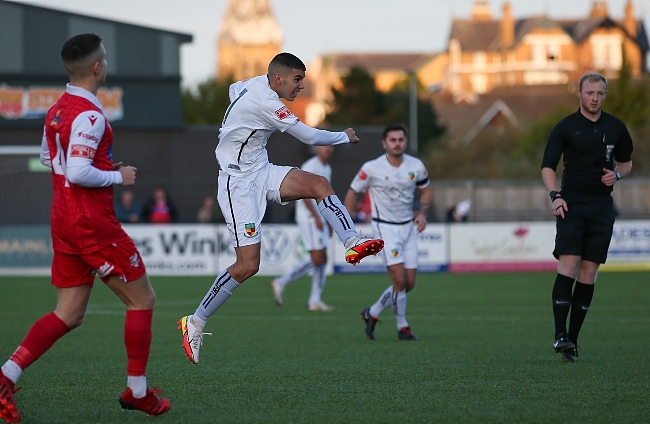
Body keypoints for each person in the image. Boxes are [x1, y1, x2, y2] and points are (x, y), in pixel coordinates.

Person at [0, 34, 170, 424]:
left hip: (62, 217)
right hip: (90, 222)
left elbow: (49, 158)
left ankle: (5, 375)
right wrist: (117, 175)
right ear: (98, 67)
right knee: (142, 299)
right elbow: (78, 171)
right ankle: (138, 391)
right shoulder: (91, 116)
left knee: (69, 313)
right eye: (105, 60)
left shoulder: (57, 109)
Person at [177, 52, 384, 364]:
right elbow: (310, 135)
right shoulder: (267, 102)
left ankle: (352, 241)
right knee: (248, 265)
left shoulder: (251, 86)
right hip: (238, 186)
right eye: (297, 79)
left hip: (262, 170)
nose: (301, 86)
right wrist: (344, 136)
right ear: (278, 79)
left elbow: (234, 88)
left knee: (318, 184)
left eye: (302, 79)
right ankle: (195, 321)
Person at [541, 73, 633, 363]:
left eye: (600, 93)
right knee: (568, 265)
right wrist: (555, 196)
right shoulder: (566, 127)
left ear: (606, 95)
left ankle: (573, 342)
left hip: (601, 207)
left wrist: (616, 174)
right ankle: (559, 334)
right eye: (590, 92)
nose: (595, 98)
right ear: (579, 94)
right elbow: (547, 167)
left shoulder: (616, 127)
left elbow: (627, 163)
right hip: (572, 203)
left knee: (589, 273)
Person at [345, 124, 431, 341]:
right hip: (385, 228)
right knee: (399, 280)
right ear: (385, 143)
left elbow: (426, 192)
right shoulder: (372, 168)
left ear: (405, 142)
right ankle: (403, 327)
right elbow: (352, 192)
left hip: (408, 228)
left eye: (400, 140)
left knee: (408, 283)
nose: (397, 144)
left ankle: (372, 312)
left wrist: (422, 214)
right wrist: (346, 225)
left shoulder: (416, 166)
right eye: (392, 140)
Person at [270, 145, 336, 312]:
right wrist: (315, 216)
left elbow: (324, 196)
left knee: (323, 258)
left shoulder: (326, 168)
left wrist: (328, 219)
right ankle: (281, 281)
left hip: (319, 216)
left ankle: (315, 300)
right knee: (317, 258)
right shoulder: (311, 166)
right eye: (324, 146)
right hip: (308, 217)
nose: (328, 149)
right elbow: (304, 193)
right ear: (317, 149)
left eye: (330, 146)